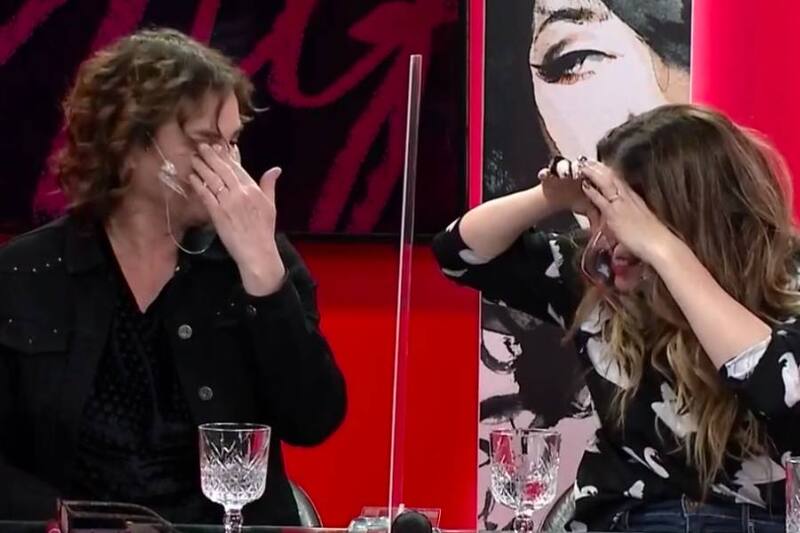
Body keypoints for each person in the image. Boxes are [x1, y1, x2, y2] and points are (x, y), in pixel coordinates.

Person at [0, 28, 346, 524]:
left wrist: (264, 277)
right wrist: (59, 518)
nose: (227, 166)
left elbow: (313, 420)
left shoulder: (258, 259)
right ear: (129, 145)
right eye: (206, 143)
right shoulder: (26, 274)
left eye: (231, 143)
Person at [434, 104, 797, 532]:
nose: (608, 238)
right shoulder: (597, 279)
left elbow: (785, 395)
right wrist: (552, 197)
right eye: (601, 211)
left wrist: (663, 252)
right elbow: (459, 254)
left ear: (695, 215)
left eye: (627, 217)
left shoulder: (788, 281)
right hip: (626, 520)